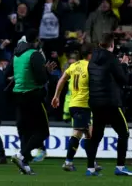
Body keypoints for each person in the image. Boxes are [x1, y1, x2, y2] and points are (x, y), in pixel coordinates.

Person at [86, 33, 132, 176]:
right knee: (123, 133)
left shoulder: (92, 60)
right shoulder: (112, 59)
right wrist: (124, 65)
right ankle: (120, 167)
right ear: (112, 45)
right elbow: (123, 80)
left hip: (95, 102)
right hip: (110, 103)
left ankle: (90, 168)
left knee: (96, 135)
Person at [51, 44, 102, 172]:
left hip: (74, 104)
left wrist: (56, 96)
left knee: (87, 134)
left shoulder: (74, 66)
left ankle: (91, 162)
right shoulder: (91, 67)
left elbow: (62, 79)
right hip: (83, 105)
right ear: (90, 54)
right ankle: (72, 162)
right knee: (82, 134)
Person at [11, 30, 52, 175]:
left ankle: (25, 166)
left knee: (27, 132)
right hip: (33, 95)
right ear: (36, 40)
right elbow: (41, 79)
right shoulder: (35, 54)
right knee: (43, 131)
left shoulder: (17, 54)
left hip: (18, 96)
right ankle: (22, 156)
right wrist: (47, 71)